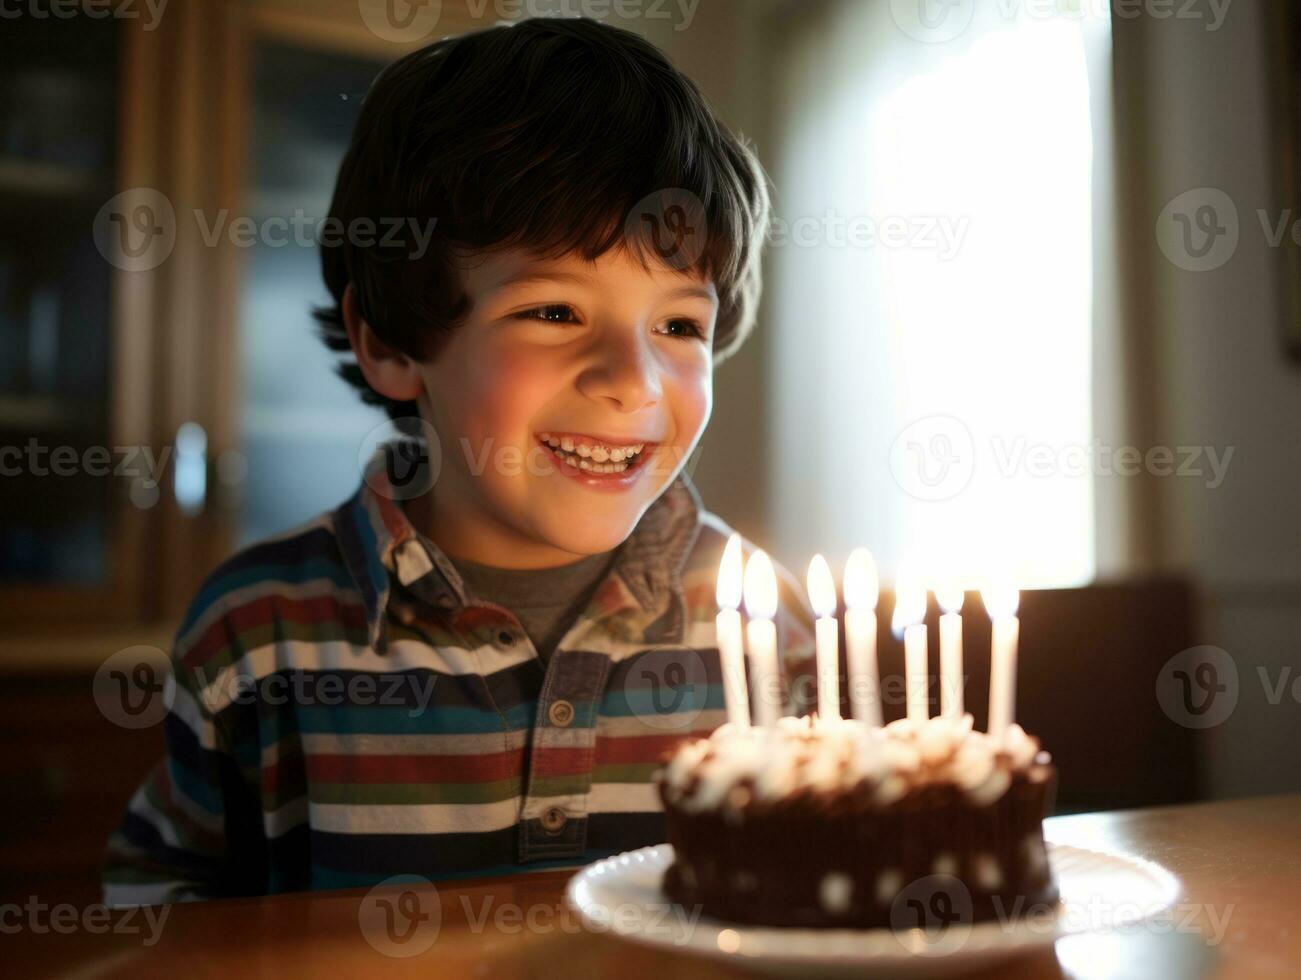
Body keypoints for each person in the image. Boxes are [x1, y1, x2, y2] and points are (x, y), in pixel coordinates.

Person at [103, 16, 815, 904]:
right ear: (392, 341)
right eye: (554, 311)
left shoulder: (764, 627)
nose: (632, 382)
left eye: (679, 325)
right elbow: (159, 904)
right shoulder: (257, 632)